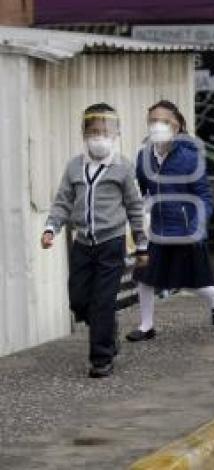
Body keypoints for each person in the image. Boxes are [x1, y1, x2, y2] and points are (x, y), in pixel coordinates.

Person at [41, 104, 148, 378]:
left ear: (115, 134)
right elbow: (63, 201)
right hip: (82, 245)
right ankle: (107, 328)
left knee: (102, 301)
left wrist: (142, 244)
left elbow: (135, 207)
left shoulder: (123, 167)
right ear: (84, 134)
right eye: (93, 131)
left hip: (111, 244)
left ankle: (101, 358)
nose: (99, 137)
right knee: (78, 299)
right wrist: (51, 228)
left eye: (105, 132)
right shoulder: (74, 167)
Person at [126, 100, 214, 342]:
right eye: (153, 121)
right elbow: (139, 190)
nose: (158, 126)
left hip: (186, 229)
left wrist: (197, 226)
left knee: (191, 283)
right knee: (144, 277)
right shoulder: (144, 156)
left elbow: (204, 196)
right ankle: (146, 326)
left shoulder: (190, 157)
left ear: (179, 125)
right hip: (158, 229)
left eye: (165, 121)